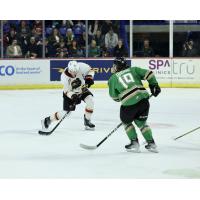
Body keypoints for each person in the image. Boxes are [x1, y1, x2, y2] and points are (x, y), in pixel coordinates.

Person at [108, 57, 161, 153]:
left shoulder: (113, 78)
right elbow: (149, 73)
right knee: (141, 123)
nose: (113, 67)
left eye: (114, 65)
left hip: (129, 105)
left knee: (126, 122)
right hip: (144, 101)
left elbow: (114, 97)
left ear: (117, 66)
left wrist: (123, 97)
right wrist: (154, 85)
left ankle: (134, 143)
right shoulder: (133, 70)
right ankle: (151, 143)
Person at [41, 60, 95, 131]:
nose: (75, 73)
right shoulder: (64, 78)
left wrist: (89, 77)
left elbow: (91, 70)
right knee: (66, 113)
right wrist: (73, 96)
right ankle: (47, 120)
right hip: (70, 93)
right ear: (69, 70)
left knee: (90, 100)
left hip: (82, 89)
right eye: (73, 72)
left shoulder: (80, 66)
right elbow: (66, 91)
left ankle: (87, 121)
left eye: (76, 71)